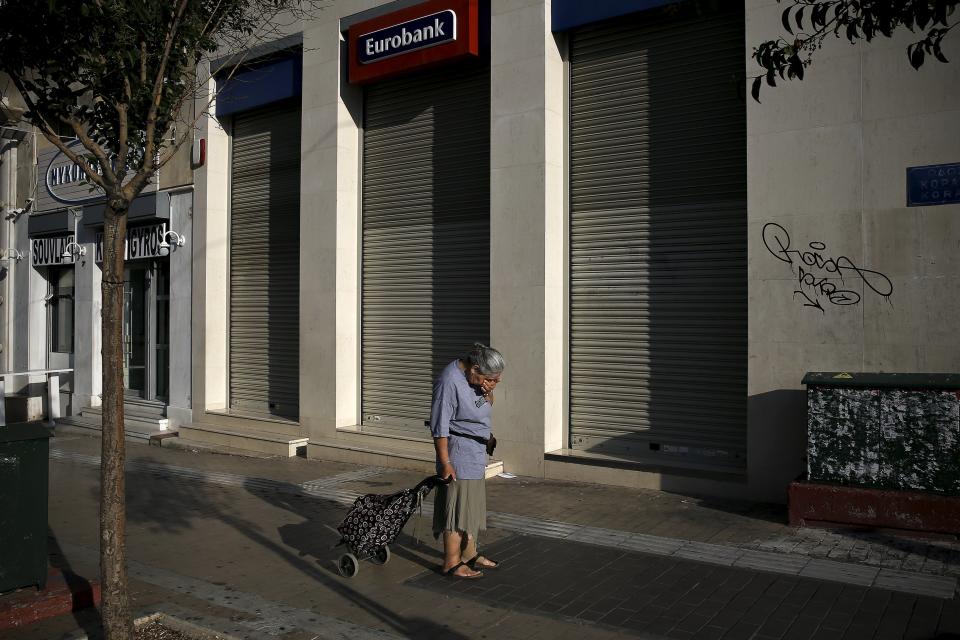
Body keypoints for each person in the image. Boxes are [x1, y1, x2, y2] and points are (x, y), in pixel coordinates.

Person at [429, 342, 506, 579]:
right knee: (457, 507)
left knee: (470, 507)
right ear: (474, 369)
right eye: (490, 379)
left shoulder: (476, 380)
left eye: (496, 380)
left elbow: (485, 405)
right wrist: (445, 462)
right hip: (458, 454)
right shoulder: (449, 382)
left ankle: (469, 554)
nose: (493, 383)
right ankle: (451, 563)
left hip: (476, 452)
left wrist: (488, 391)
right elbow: (439, 427)